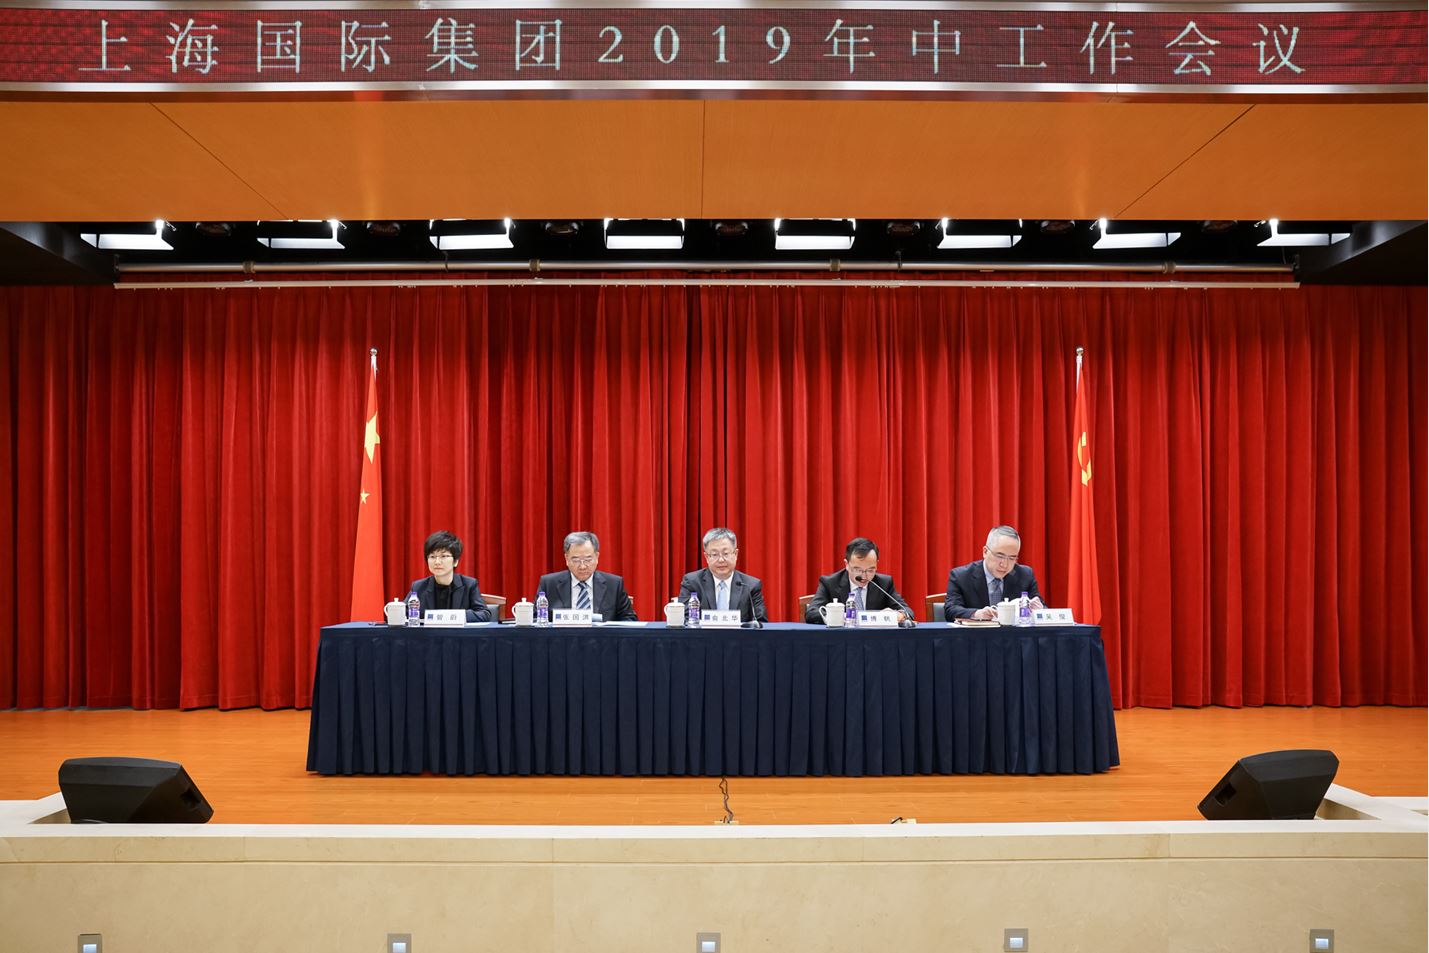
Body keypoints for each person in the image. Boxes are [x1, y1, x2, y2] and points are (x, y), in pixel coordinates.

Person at [944, 525, 1044, 621]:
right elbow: (950, 610)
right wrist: (976, 614)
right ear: (985, 552)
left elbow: (1042, 608)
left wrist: (1039, 611)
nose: (1005, 564)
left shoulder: (1025, 575)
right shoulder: (961, 577)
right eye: (1000, 556)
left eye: (1012, 558)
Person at [534, 531, 637, 622]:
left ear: (597, 557)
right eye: (576, 560)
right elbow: (535, 620)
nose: (582, 566)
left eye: (588, 559)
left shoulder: (614, 584)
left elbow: (629, 620)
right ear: (567, 559)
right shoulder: (549, 584)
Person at [805, 537, 910, 624]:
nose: (864, 575)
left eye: (870, 570)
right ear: (846, 564)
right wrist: (844, 616)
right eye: (857, 569)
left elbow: (907, 611)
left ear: (876, 564)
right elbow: (811, 613)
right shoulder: (830, 583)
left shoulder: (884, 583)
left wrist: (899, 615)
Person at [677, 527, 769, 624]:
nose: (721, 560)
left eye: (725, 553)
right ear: (707, 557)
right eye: (714, 554)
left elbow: (761, 623)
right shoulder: (692, 583)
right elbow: (684, 620)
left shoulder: (750, 586)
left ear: (736, 554)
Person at [407, 530, 492, 623]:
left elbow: (484, 614)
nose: (437, 562)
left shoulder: (469, 585)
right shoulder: (419, 587)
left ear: (455, 561)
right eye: (432, 557)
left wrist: (452, 616)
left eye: (443, 556)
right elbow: (403, 612)